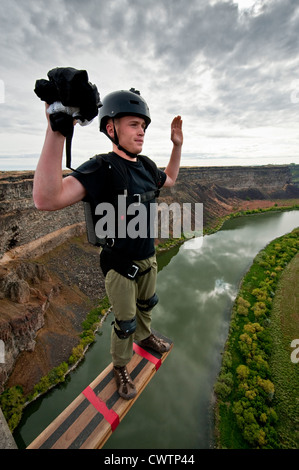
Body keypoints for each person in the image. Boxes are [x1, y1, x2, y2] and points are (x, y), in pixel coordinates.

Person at [33, 88, 183, 400]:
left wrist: (176, 146)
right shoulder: (101, 168)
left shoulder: (144, 166)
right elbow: (47, 198)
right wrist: (56, 130)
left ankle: (146, 336)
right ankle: (120, 366)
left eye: (143, 125)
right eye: (133, 124)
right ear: (111, 128)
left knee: (147, 306)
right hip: (120, 265)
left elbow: (170, 179)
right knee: (124, 322)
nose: (141, 130)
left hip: (148, 258)